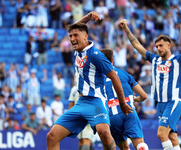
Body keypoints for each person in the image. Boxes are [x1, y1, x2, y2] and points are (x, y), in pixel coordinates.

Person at [46, 12, 133, 150]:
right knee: (52, 136)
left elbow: (115, 77)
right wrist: (87, 18)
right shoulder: (78, 50)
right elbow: (75, 28)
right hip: (80, 103)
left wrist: (122, 103)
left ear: (86, 36)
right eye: (70, 36)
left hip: (96, 101)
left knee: (104, 132)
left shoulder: (96, 55)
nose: (72, 39)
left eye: (76, 36)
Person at [119, 19, 181, 150]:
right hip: (160, 104)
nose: (158, 48)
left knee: (161, 133)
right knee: (172, 137)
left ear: (169, 45)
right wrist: (126, 29)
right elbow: (136, 45)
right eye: (157, 46)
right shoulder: (154, 59)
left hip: (173, 102)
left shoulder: (178, 60)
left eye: (161, 45)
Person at [101, 48, 149, 150]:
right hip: (129, 111)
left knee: (124, 147)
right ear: (112, 60)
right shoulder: (124, 74)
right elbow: (144, 96)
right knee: (140, 144)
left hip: (112, 116)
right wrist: (135, 99)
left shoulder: (98, 79)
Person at [68, 85, 93, 150]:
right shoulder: (88, 86)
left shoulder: (74, 89)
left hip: (77, 119)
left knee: (81, 141)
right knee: (87, 140)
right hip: (87, 118)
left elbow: (71, 107)